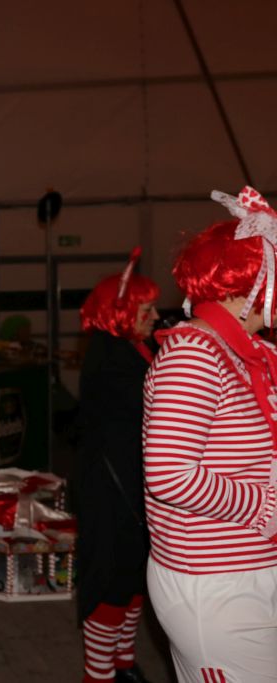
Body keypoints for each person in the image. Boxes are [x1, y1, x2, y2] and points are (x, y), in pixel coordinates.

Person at [143, 187, 277, 683]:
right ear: (255, 280)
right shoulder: (194, 354)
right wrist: (265, 505)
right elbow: (169, 475)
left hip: (251, 569)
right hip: (215, 581)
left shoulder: (255, 353)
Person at [75, 249, 159, 683]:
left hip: (131, 487)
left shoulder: (136, 346)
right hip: (110, 491)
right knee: (110, 582)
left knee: (132, 579)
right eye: (146, 310)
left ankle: (123, 663)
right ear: (121, 314)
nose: (155, 316)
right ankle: (99, 674)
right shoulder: (109, 358)